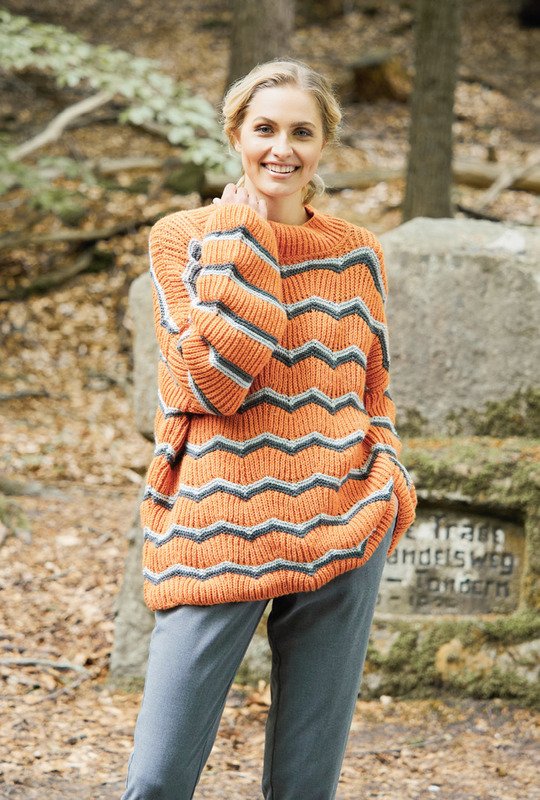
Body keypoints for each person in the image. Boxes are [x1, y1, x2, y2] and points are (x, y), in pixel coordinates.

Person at [122, 58, 417, 800]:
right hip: (218, 522)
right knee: (157, 779)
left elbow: (373, 388)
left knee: (305, 786)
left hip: (343, 519)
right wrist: (238, 237)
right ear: (236, 135)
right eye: (265, 129)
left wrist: (388, 477)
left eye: (301, 132)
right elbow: (212, 385)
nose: (281, 148)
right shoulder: (184, 239)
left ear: (323, 145)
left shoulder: (357, 253)